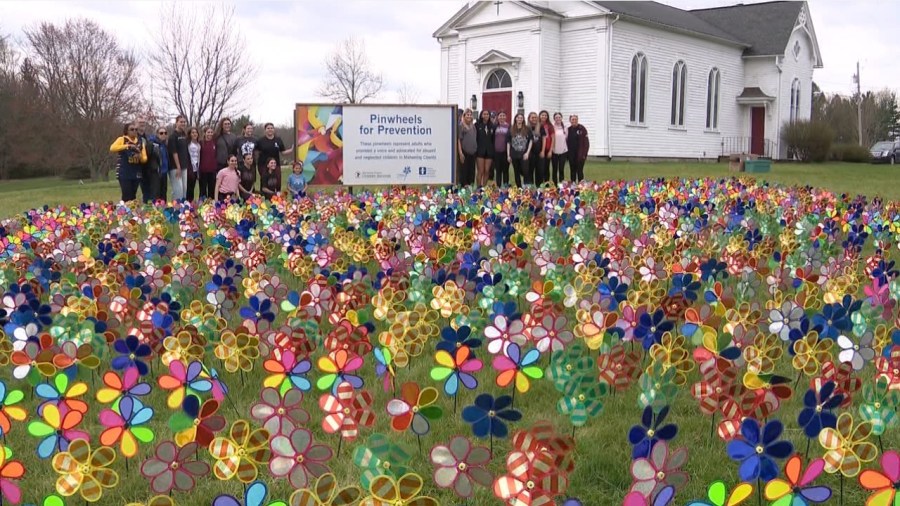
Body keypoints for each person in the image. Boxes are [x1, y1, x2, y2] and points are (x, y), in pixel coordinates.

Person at [110, 123, 147, 202]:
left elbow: (144, 158)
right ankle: (124, 208)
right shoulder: (122, 139)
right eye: (132, 129)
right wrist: (128, 146)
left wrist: (139, 156)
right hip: (124, 171)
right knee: (127, 194)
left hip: (136, 171)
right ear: (127, 131)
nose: (134, 131)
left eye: (136, 129)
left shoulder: (140, 141)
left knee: (133, 195)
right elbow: (112, 148)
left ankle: (131, 208)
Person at [255, 123, 292, 192]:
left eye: (271, 128)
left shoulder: (278, 140)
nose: (270, 130)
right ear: (265, 130)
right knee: (265, 181)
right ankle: (264, 195)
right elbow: (255, 151)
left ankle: (277, 195)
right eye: (268, 128)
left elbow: (283, 152)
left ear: (274, 129)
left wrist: (292, 149)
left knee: (277, 181)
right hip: (263, 165)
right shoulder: (260, 141)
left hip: (276, 165)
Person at [506, 113, 533, 188]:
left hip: (524, 153)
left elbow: (531, 141)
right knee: (516, 171)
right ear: (516, 119)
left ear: (523, 119)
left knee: (525, 170)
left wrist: (527, 153)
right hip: (514, 154)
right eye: (518, 118)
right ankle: (519, 187)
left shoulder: (527, 129)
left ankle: (526, 186)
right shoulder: (511, 129)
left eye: (521, 118)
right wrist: (508, 155)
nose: (520, 119)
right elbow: (508, 143)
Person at [167, 115, 190, 201]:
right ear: (176, 123)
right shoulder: (173, 136)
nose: (183, 123)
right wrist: (178, 167)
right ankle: (175, 207)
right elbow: (174, 152)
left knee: (184, 190)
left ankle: (182, 207)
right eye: (181, 122)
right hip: (175, 168)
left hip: (184, 167)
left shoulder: (184, 135)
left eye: (184, 122)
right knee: (178, 191)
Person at [566, 114, 589, 183]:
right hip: (571, 154)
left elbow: (586, 143)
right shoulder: (568, 130)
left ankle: (580, 185)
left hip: (580, 154)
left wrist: (584, 154)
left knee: (580, 170)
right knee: (572, 170)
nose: (574, 121)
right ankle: (573, 184)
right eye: (572, 119)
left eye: (575, 119)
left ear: (577, 120)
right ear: (570, 121)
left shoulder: (582, 128)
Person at [474, 110, 495, 187]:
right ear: (481, 115)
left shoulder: (492, 126)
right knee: (481, 171)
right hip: (480, 151)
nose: (486, 115)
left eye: (487, 114)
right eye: (484, 114)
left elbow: (493, 139)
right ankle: (478, 187)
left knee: (487, 170)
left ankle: (483, 187)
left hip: (489, 152)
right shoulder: (477, 125)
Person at [457, 108, 476, 186]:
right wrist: (460, 153)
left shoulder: (473, 126)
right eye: (467, 115)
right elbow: (459, 140)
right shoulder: (461, 126)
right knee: (464, 173)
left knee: (471, 173)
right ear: (464, 116)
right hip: (464, 152)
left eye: (470, 115)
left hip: (473, 153)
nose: (469, 116)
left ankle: (470, 188)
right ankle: (463, 188)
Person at [198, 127, 218, 200]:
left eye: (211, 132)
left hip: (212, 170)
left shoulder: (214, 143)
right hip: (203, 170)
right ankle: (202, 203)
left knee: (211, 189)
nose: (210, 134)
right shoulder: (200, 143)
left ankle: (211, 204)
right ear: (205, 133)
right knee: (203, 190)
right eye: (208, 132)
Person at [537, 110, 554, 186]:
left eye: (545, 115)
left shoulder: (550, 126)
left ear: (547, 117)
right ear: (539, 116)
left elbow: (553, 138)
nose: (544, 116)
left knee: (546, 168)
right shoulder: (537, 125)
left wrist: (550, 150)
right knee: (540, 168)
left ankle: (547, 185)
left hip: (547, 149)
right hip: (538, 149)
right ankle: (540, 185)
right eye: (542, 115)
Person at [550, 112, 568, 186]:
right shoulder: (552, 127)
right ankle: (554, 185)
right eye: (556, 117)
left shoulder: (565, 127)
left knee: (561, 169)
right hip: (554, 152)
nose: (558, 119)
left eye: (559, 117)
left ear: (561, 118)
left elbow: (566, 139)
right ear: (554, 119)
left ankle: (561, 185)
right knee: (554, 169)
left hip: (563, 152)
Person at [526, 112, 543, 185]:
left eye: (535, 117)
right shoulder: (526, 128)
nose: (534, 119)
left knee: (539, 171)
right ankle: (530, 187)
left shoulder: (540, 127)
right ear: (529, 119)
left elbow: (544, 139)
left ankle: (539, 187)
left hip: (539, 152)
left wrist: (542, 151)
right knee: (530, 171)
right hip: (530, 153)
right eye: (532, 117)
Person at [493, 112, 510, 186]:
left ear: (506, 117)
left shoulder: (509, 126)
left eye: (503, 115)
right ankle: (498, 186)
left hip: (505, 152)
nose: (502, 117)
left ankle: (506, 186)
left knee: (505, 170)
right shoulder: (495, 126)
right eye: (500, 116)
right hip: (496, 152)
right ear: (498, 117)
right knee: (498, 170)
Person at [186, 127, 201, 201]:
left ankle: (191, 201)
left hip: (196, 168)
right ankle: (186, 201)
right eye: (193, 132)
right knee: (188, 187)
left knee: (193, 186)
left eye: (196, 132)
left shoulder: (198, 144)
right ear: (190, 134)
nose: (195, 134)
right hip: (189, 167)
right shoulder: (187, 144)